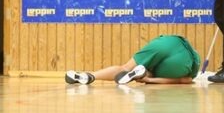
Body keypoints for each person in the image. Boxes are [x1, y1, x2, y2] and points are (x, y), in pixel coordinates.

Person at [65, 35, 200, 85]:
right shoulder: (195, 63)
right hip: (181, 65)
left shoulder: (173, 40)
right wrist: (149, 81)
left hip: (167, 43)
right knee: (152, 74)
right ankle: (143, 75)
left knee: (125, 68)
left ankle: (90, 76)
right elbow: (185, 80)